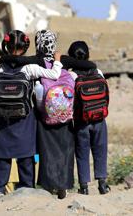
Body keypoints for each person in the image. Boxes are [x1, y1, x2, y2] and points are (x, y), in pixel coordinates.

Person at [0, 30, 63, 199]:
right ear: (25, 48)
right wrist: (58, 61)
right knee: (26, 154)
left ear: (7, 46)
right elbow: (54, 75)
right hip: (25, 118)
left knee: (3, 154)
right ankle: (27, 188)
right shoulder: (30, 68)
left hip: (4, 119)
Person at [34, 30, 75, 199]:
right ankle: (63, 186)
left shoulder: (38, 67)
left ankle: (48, 186)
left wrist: (43, 111)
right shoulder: (65, 67)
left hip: (46, 119)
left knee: (47, 153)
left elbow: (37, 95)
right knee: (65, 152)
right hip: (66, 118)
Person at [65, 41, 110, 195]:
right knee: (100, 150)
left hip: (80, 121)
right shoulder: (98, 71)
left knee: (82, 152)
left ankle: (84, 187)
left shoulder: (71, 75)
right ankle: (102, 184)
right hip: (99, 118)